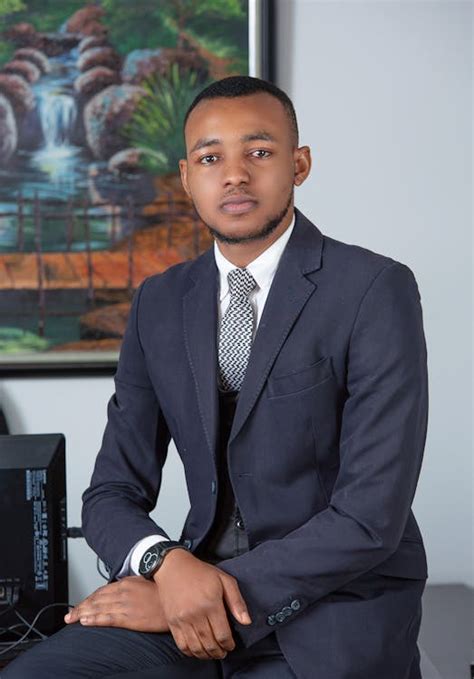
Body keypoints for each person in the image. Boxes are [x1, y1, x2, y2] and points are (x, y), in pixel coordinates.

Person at [3, 75, 429, 679]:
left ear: (299, 164)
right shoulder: (159, 301)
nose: (234, 175)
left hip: (332, 612)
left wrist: (207, 592)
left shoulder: (373, 290)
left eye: (258, 152)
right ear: (186, 177)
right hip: (182, 596)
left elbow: (369, 518)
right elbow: (110, 494)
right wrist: (166, 567)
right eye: (211, 157)